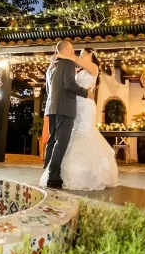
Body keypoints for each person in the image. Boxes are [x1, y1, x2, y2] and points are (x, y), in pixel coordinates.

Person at [40, 45, 117, 191]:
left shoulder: (93, 67)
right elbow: (68, 83)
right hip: (74, 104)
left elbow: (73, 59)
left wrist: (60, 55)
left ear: (91, 54)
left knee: (84, 134)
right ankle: (61, 171)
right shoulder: (77, 68)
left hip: (86, 105)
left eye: (83, 53)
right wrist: (55, 61)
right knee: (68, 138)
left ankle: (89, 173)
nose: (80, 55)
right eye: (79, 53)